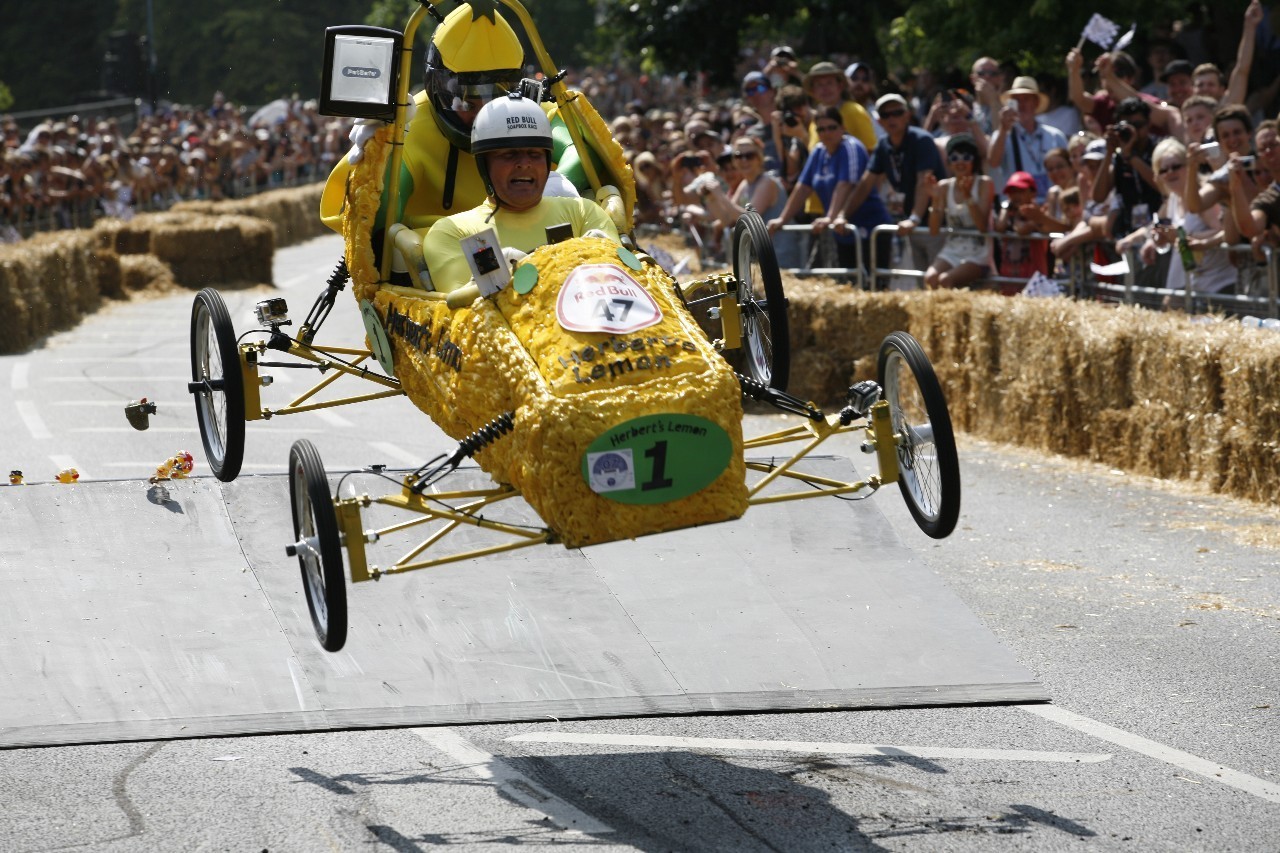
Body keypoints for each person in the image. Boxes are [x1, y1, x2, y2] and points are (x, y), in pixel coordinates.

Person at [320, 3, 605, 238]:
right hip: (433, 269)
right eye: (466, 101)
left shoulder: (529, 112)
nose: (482, 113)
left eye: (496, 96)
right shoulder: (409, 127)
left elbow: (580, 150)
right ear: (437, 88)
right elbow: (376, 219)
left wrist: (557, 189)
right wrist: (380, 155)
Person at [423, 93, 619, 294]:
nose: (524, 164)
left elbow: (621, 284)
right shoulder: (451, 232)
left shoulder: (584, 212)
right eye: (509, 154)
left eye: (534, 154)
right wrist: (506, 278)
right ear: (483, 164)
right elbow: (458, 307)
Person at [767, 105, 890, 272]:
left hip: (868, 228)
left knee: (873, 281)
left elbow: (845, 184)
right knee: (848, 281)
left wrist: (830, 217)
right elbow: (803, 187)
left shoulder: (851, 147)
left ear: (842, 128)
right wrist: (783, 219)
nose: (827, 133)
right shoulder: (818, 151)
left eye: (832, 127)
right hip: (842, 231)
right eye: (821, 129)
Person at [841, 93, 947, 279]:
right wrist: (843, 216)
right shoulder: (884, 144)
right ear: (879, 121)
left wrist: (914, 218)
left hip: (936, 223)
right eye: (885, 115)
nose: (891, 119)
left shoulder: (921, 140)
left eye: (897, 113)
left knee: (936, 280)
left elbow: (924, 181)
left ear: (907, 115)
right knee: (922, 281)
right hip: (912, 224)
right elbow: (865, 184)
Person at [922, 133, 994, 290]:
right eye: (954, 158)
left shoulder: (984, 183)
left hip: (978, 253)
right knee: (930, 279)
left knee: (946, 280)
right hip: (952, 250)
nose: (960, 162)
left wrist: (968, 197)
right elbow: (933, 230)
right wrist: (935, 199)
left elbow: (982, 227)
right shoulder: (944, 186)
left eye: (966, 157)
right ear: (949, 163)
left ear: (974, 161)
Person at [987, 75, 1068, 203]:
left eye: (1026, 99)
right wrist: (1003, 129)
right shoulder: (1002, 135)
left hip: (1052, 204)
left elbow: (1069, 172)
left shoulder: (1055, 136)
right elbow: (993, 162)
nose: (1021, 105)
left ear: (1036, 103)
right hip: (1018, 206)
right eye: (1016, 100)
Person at [803, 61, 877, 153]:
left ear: (840, 86)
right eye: (819, 85)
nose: (825, 89)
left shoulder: (855, 111)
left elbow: (871, 150)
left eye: (829, 83)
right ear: (813, 90)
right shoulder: (815, 120)